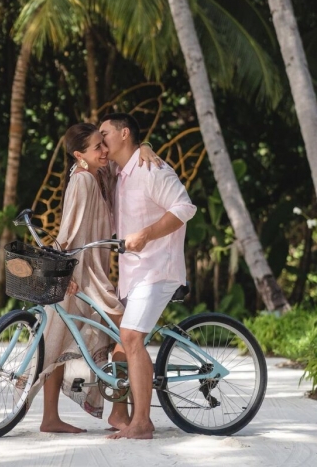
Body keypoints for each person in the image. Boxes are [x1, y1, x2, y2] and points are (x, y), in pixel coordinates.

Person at [28, 122, 158, 434]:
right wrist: (64, 272)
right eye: (97, 146)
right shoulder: (82, 180)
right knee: (125, 333)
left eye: (104, 143)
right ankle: (117, 413)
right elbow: (68, 230)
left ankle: (57, 417)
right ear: (79, 155)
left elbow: (127, 156)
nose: (104, 150)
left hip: (93, 272)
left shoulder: (99, 173)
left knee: (59, 338)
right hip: (82, 275)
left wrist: (145, 146)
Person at [99, 113, 197, 440]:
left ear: (124, 133)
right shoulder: (119, 172)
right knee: (120, 342)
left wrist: (146, 234)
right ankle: (120, 413)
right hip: (132, 273)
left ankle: (142, 422)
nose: (101, 139)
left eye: (105, 133)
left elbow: (184, 208)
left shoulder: (152, 169)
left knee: (130, 337)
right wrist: (146, 145)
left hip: (157, 269)